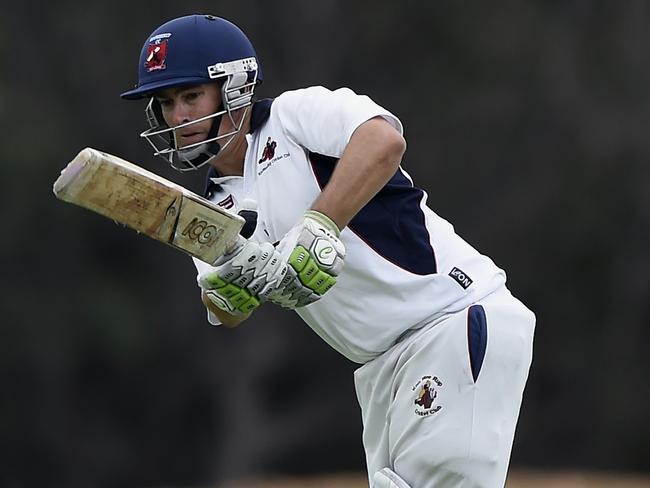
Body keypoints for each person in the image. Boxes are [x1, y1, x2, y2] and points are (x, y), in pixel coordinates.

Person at [121, 14, 535, 488]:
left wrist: (320, 224)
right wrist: (229, 290)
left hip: (451, 319)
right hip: (379, 367)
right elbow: (223, 311)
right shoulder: (212, 206)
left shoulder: (295, 116)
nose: (179, 116)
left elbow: (384, 140)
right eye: (167, 103)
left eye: (191, 96)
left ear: (233, 87)